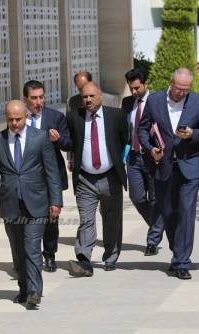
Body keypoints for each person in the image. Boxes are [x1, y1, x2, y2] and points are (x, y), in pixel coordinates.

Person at [0, 100, 62, 308]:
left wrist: (56, 201)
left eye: (18, 119)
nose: (15, 123)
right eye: (10, 120)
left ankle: (35, 291)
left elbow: (51, 171)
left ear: (26, 117)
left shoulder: (40, 138)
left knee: (32, 248)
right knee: (18, 252)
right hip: (11, 205)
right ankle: (24, 288)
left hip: (36, 203)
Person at [138, 68, 199, 280]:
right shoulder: (155, 101)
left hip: (190, 166)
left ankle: (182, 261)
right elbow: (142, 130)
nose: (181, 93)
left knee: (186, 213)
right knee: (168, 213)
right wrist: (150, 149)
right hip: (163, 165)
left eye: (185, 89)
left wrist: (193, 134)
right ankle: (177, 251)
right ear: (171, 83)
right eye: (178, 88)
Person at [66, 82, 128, 277]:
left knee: (112, 220)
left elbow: (124, 139)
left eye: (92, 96)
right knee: (86, 220)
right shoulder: (74, 117)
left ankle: (110, 256)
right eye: (85, 97)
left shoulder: (116, 116)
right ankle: (84, 259)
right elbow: (69, 142)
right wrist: (58, 140)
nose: (88, 100)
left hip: (111, 177)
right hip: (85, 178)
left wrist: (119, 161)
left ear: (100, 96)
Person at [23, 80, 71, 272]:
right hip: (28, 177)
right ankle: (28, 257)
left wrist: (58, 140)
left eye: (41, 97)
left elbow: (69, 144)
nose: (39, 102)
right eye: (34, 98)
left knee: (52, 217)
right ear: (26, 99)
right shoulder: (20, 118)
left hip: (51, 177)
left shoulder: (55, 117)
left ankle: (50, 255)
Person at [121, 68, 164, 256]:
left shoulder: (157, 102)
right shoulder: (127, 103)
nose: (134, 92)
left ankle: (152, 241)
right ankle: (158, 225)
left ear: (146, 84)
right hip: (133, 156)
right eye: (131, 88)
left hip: (152, 157)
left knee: (155, 200)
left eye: (137, 88)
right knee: (137, 197)